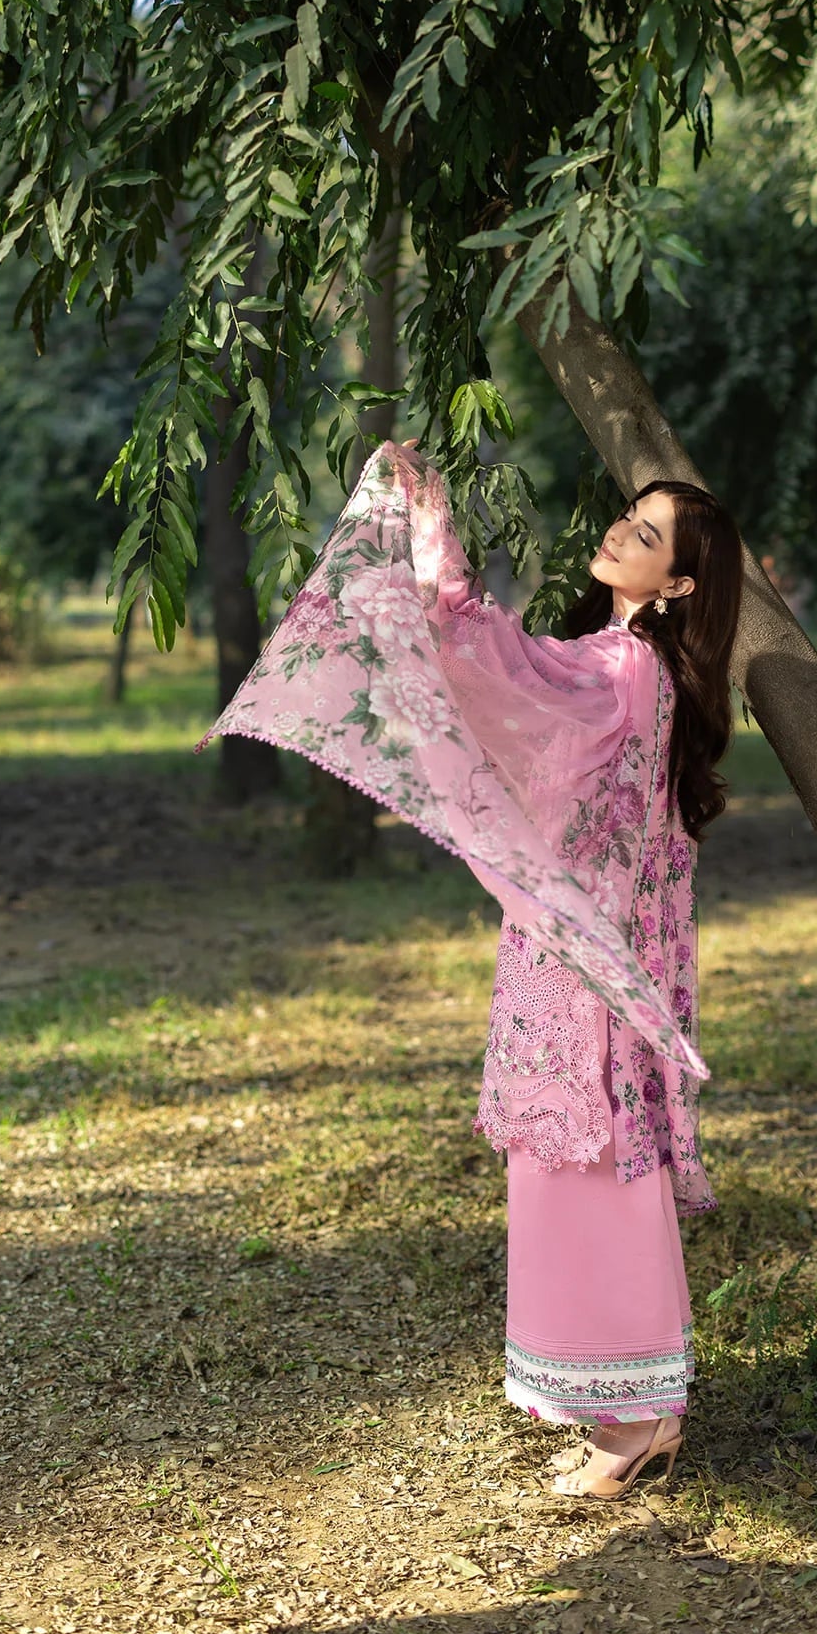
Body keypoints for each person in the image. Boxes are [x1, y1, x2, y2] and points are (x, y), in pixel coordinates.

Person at [197, 438, 744, 1498]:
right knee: (577, 1169)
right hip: (577, 953)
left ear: (678, 584)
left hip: (581, 969)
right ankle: (634, 1406)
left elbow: (503, 672)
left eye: (645, 534)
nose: (618, 533)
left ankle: (636, 1417)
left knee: (585, 1175)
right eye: (627, 516)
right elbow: (524, 696)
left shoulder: (624, 668)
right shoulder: (635, 666)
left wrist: (436, 554)